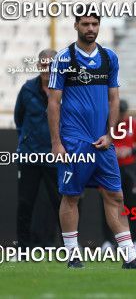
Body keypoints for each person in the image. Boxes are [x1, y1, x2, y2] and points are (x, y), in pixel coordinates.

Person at [48, 4, 136, 269]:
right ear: (76, 26)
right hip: (75, 142)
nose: (90, 29)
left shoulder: (109, 58)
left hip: (103, 143)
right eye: (85, 24)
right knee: (72, 197)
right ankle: (73, 255)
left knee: (115, 197)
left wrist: (111, 134)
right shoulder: (64, 59)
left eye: (94, 24)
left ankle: (129, 257)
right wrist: (56, 143)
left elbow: (114, 97)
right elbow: (53, 102)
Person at [14, 49, 61, 249]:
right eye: (43, 64)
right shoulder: (27, 89)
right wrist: (27, 140)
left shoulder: (65, 89)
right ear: (38, 65)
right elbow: (19, 119)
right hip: (29, 155)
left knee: (61, 203)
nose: (46, 69)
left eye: (50, 65)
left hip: (55, 156)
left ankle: (68, 249)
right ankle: (23, 249)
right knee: (25, 203)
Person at [101, 99, 136, 253]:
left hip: (128, 169)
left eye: (123, 113)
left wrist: (129, 150)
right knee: (108, 204)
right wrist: (114, 151)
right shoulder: (106, 124)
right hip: (111, 169)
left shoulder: (133, 124)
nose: (122, 116)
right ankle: (108, 241)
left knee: (132, 205)